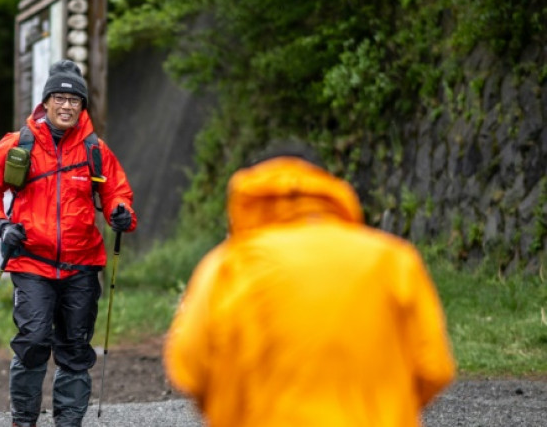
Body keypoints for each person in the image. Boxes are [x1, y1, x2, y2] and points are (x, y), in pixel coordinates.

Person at [163, 141, 456, 427]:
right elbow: (434, 368)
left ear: (250, 194)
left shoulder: (229, 265)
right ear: (326, 189)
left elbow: (190, 369)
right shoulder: (392, 260)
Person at [0, 60, 137, 427]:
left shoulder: (95, 149)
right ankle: (24, 419)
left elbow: (116, 191)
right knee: (32, 341)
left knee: (76, 347)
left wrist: (121, 212)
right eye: (60, 98)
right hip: (31, 260)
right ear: (46, 102)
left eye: (74, 100)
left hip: (82, 263)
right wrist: (0, 224)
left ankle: (68, 422)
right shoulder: (19, 144)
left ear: (82, 106)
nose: (67, 106)